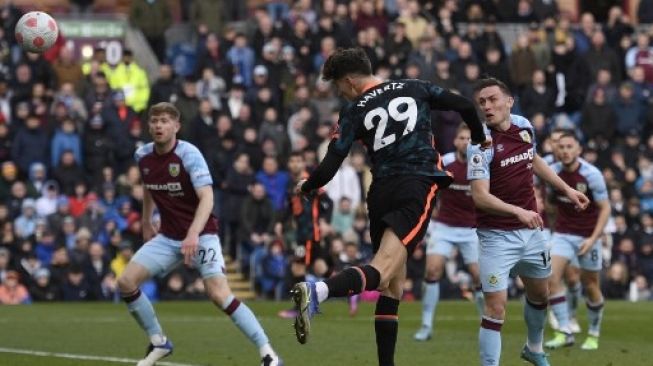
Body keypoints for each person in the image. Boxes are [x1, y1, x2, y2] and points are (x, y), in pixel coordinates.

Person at [291, 48, 489, 366]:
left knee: (392, 282)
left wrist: (308, 186)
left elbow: (329, 165)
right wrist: (479, 138)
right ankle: (319, 292)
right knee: (383, 269)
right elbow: (465, 105)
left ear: (350, 81)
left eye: (339, 86)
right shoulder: (415, 86)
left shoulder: (353, 110)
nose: (340, 92)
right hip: (415, 182)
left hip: (380, 191)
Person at [116, 102, 282, 366]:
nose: (159, 125)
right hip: (169, 237)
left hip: (202, 234)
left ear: (176, 126)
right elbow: (148, 185)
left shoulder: (189, 154)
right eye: (154, 121)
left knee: (218, 294)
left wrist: (193, 234)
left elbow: (207, 197)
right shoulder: (143, 156)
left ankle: (268, 352)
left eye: (165, 121)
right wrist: (147, 220)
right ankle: (159, 342)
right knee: (125, 282)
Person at [467, 77, 589, 366]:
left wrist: (567, 189)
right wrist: (517, 211)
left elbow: (533, 159)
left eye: (493, 99)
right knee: (495, 308)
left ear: (509, 101)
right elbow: (480, 197)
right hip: (496, 236)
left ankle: (534, 349)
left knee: (540, 294)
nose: (487, 106)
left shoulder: (524, 126)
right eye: (482, 102)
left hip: (532, 232)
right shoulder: (480, 143)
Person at [414, 123, 484, 342]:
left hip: (472, 228)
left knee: (479, 276)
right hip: (444, 226)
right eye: (461, 138)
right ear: (455, 141)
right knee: (433, 271)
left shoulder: (482, 164)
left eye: (469, 138)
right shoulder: (445, 162)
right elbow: (427, 187)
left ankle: (487, 323)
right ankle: (426, 325)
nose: (465, 142)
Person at [544, 132, 610, 351]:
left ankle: (593, 333)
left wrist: (593, 238)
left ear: (579, 150)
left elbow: (605, 208)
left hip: (587, 236)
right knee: (550, 276)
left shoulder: (591, 175)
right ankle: (564, 330)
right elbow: (551, 201)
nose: (565, 151)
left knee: (590, 285)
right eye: (561, 147)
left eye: (570, 146)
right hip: (563, 234)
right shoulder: (553, 172)